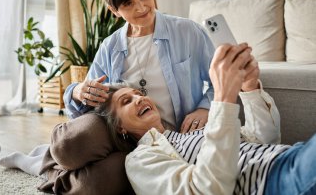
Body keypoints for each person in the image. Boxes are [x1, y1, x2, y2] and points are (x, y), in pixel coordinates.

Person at [95, 43, 316, 195]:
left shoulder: (191, 132)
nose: (139, 99)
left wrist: (249, 89)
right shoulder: (141, 159)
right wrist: (223, 99)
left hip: (290, 153)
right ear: (120, 126)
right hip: (276, 181)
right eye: (126, 102)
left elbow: (267, 138)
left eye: (139, 94)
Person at [64, 0, 216, 132]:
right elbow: (88, 106)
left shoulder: (187, 31)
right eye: (128, 3)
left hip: (186, 136)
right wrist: (75, 91)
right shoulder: (110, 47)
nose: (141, 7)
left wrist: (205, 109)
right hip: (134, 145)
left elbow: (221, 81)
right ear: (114, 10)